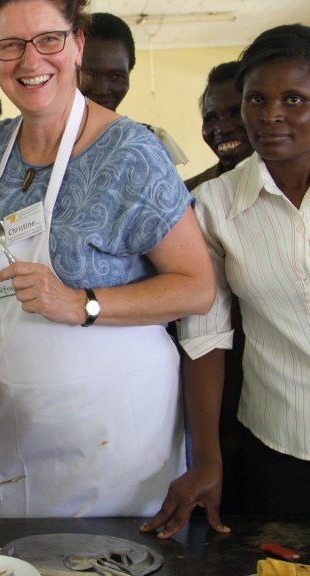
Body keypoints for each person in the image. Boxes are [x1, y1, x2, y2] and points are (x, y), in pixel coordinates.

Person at [0, 0, 215, 519]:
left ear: (77, 44)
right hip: (19, 419)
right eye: (10, 45)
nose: (30, 61)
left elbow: (196, 287)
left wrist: (83, 303)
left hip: (115, 425)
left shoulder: (132, 152)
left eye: (48, 40)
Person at [144, 23, 310, 538]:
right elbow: (206, 337)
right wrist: (207, 461)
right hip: (279, 445)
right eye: (256, 99)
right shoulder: (216, 205)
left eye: (295, 99)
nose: (271, 115)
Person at [183, 60, 253, 515]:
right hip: (213, 381)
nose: (223, 126)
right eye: (211, 116)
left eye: (235, 111)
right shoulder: (192, 196)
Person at [80, 12, 188, 165]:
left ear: (129, 72)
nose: (102, 89)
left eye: (116, 76)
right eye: (89, 74)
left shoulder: (151, 141)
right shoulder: (43, 141)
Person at [184, 61, 254, 191]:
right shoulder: (186, 196)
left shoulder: (294, 187)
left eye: (236, 113)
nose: (223, 129)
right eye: (211, 119)